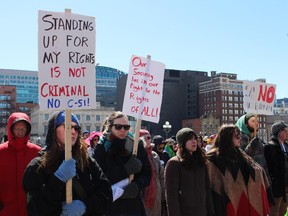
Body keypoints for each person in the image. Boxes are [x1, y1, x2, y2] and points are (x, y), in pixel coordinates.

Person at [23, 110, 112, 216]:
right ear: (54, 130)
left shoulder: (87, 161)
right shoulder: (37, 166)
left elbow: (107, 194)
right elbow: (34, 209)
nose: (73, 131)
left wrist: (85, 206)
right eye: (68, 126)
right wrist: (57, 180)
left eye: (77, 128)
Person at [93, 111, 151, 216]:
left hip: (134, 206)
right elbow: (98, 178)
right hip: (111, 206)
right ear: (110, 127)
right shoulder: (101, 148)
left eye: (126, 127)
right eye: (118, 127)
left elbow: (147, 173)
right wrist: (124, 170)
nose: (123, 130)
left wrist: (137, 185)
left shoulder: (136, 146)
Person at [206, 124, 273, 216]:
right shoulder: (214, 158)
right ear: (227, 137)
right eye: (236, 136)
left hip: (247, 202)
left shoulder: (242, 155)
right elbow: (213, 184)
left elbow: (258, 170)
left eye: (239, 135)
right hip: (227, 203)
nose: (239, 138)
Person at [165, 128, 214, 216]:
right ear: (182, 143)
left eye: (195, 138)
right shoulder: (174, 163)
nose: (194, 141)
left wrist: (210, 212)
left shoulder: (201, 162)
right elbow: (172, 197)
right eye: (190, 139)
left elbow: (207, 190)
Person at [0, 112, 41, 216]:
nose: (20, 132)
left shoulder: (37, 152)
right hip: (5, 210)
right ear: (10, 129)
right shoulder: (1, 151)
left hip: (31, 211)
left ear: (28, 130)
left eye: (23, 129)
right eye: (17, 128)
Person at [264, 121, 288, 216]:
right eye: (285, 131)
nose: (287, 133)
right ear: (279, 132)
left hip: (286, 186)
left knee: (283, 211)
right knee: (274, 212)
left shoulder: (286, 146)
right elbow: (267, 168)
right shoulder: (269, 147)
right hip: (276, 187)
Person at [139, 129, 165, 216]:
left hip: (156, 195)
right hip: (142, 195)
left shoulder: (154, 155)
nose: (147, 140)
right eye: (143, 138)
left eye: (149, 137)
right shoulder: (135, 155)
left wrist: (163, 193)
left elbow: (161, 176)